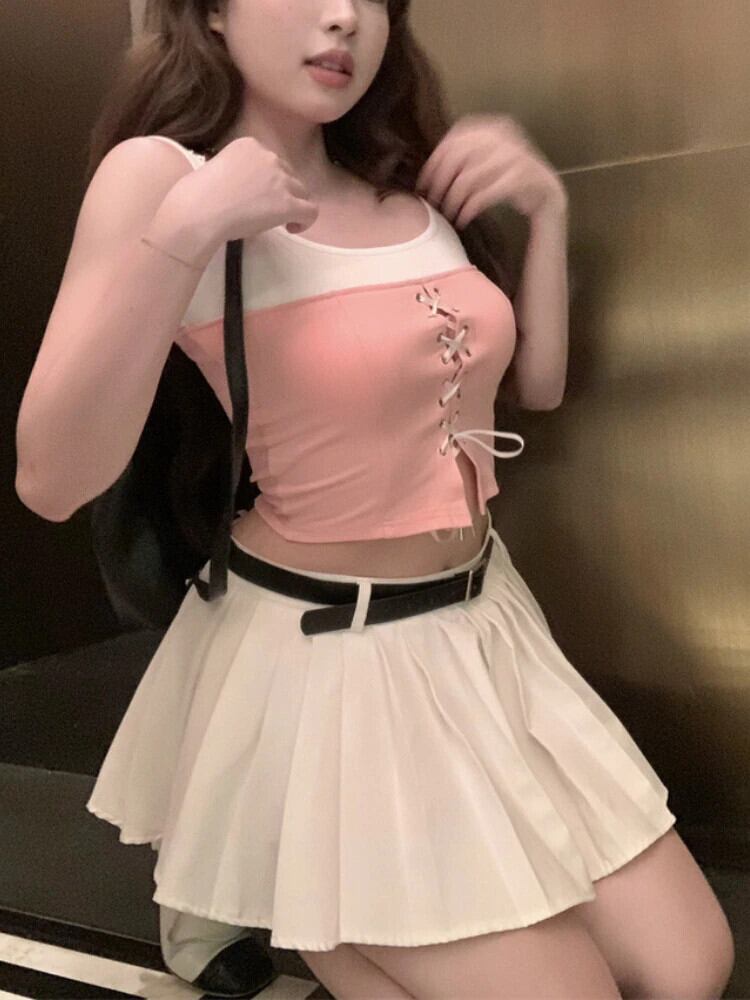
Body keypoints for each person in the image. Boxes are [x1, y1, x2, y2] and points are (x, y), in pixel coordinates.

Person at [15, 1, 735, 998]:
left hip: (486, 631)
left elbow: (536, 390)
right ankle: (309, 899)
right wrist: (183, 235)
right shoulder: (163, 175)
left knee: (691, 968)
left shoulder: (402, 178)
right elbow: (51, 481)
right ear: (212, 12)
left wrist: (546, 211)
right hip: (337, 664)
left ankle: (311, 900)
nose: (343, 16)